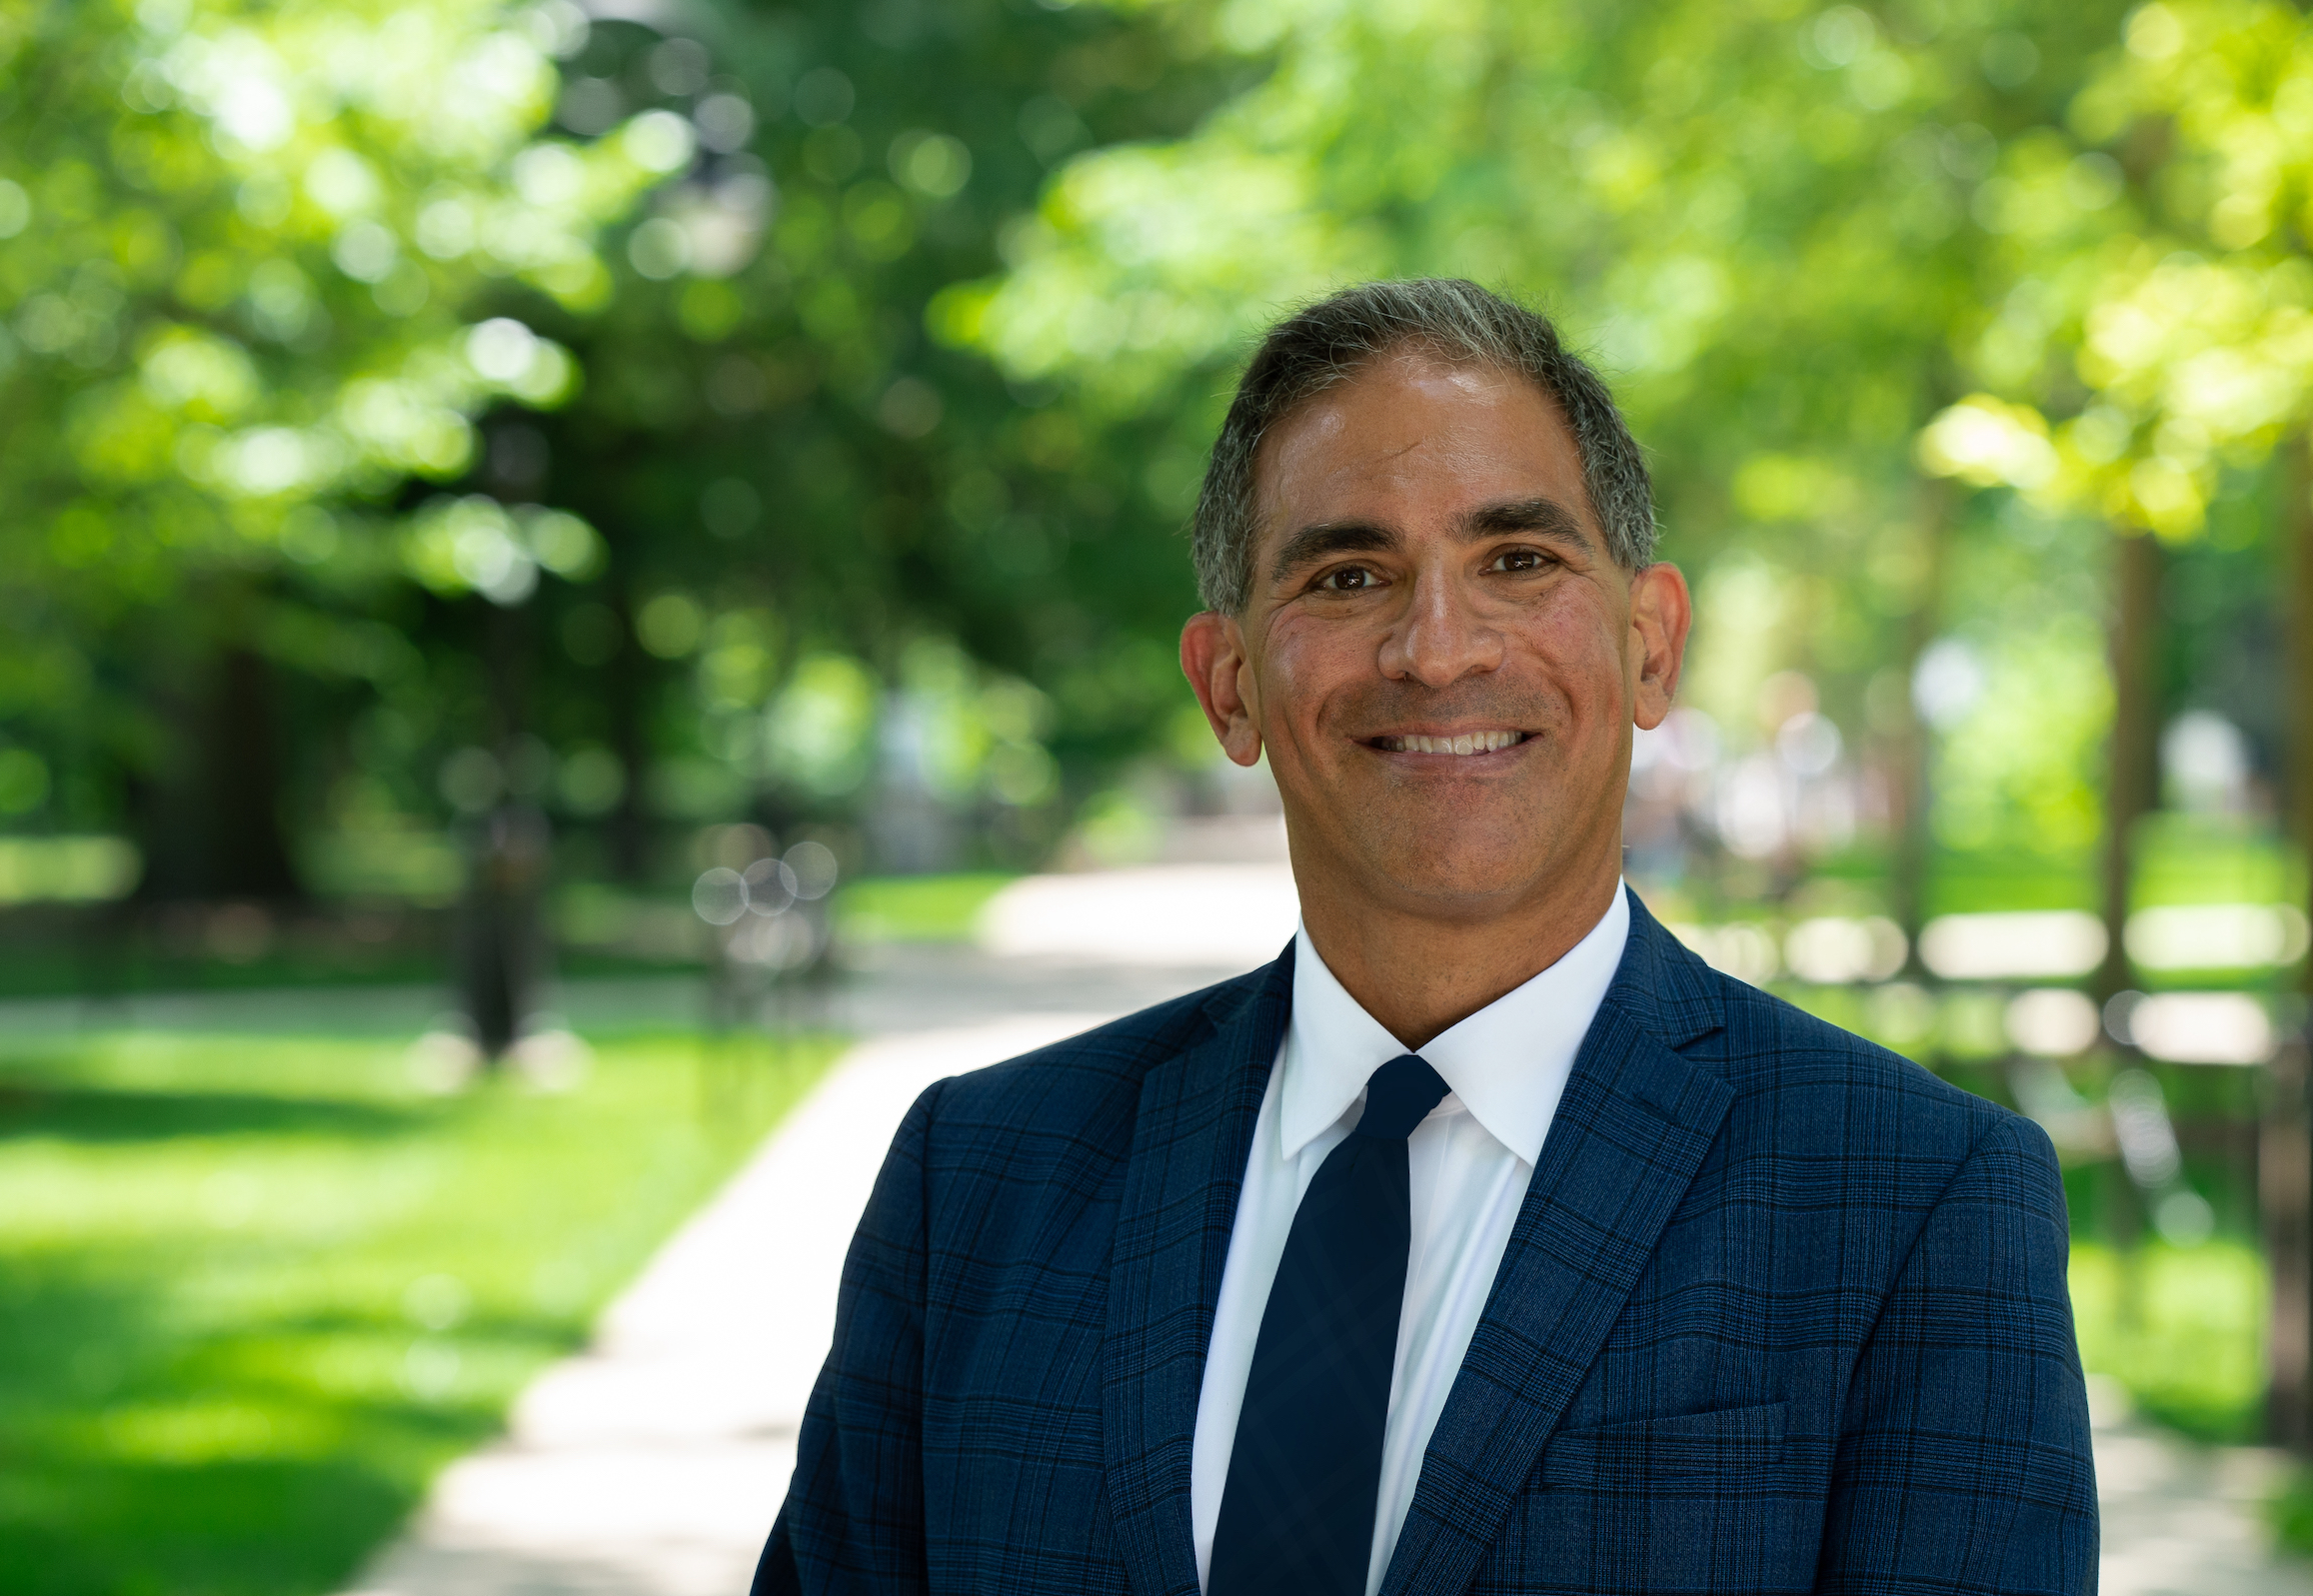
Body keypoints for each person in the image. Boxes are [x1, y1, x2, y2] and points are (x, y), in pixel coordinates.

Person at [753, 279, 2095, 1595]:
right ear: (1231, 686)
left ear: (1650, 646)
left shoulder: (1921, 1203)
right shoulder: (979, 1180)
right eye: (1348, 573)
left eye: (1519, 559)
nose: (1438, 648)